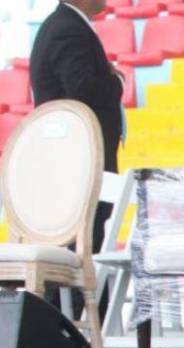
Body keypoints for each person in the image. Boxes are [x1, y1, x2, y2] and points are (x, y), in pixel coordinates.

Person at [28, 0, 123, 254]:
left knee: (89, 231)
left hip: (77, 154)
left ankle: (79, 293)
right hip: (78, 157)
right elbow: (83, 89)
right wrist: (117, 82)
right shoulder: (67, 28)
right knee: (82, 238)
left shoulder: (65, 24)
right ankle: (80, 294)